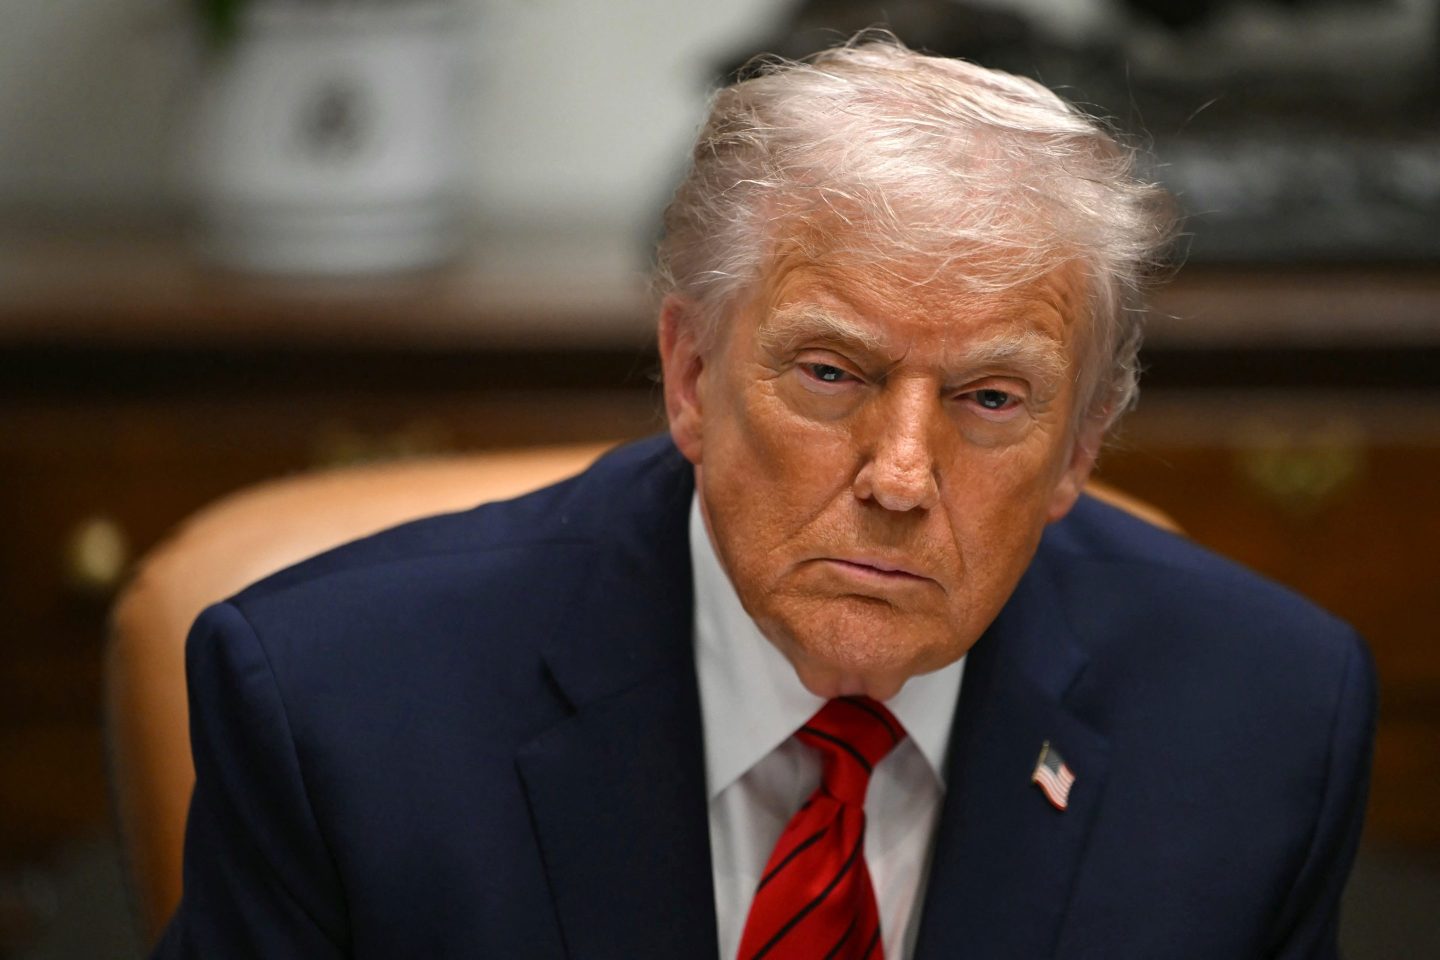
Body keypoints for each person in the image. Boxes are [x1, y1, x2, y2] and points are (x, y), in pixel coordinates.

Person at [155, 38, 1374, 960]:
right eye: (831, 374)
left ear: (1079, 450)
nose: (901, 477)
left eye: (992, 399)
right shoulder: (339, 708)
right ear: (691, 376)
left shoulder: (1266, 724)